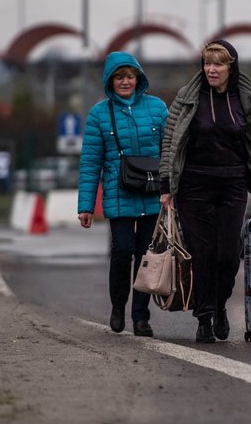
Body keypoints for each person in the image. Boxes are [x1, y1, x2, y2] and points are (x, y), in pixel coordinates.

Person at [159, 40, 251, 343]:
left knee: (227, 254)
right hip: (193, 185)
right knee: (203, 253)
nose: (211, 69)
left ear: (230, 67)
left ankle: (220, 304)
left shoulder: (246, 101)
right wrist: (167, 186)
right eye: (207, 63)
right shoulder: (187, 99)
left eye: (218, 64)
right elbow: (171, 141)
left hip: (232, 184)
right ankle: (204, 316)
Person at [78, 51, 167, 337]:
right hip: (119, 195)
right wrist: (86, 205)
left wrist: (172, 191)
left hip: (154, 194)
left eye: (130, 76)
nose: (125, 81)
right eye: (119, 77)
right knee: (123, 250)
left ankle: (141, 316)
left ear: (138, 78)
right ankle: (118, 305)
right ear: (110, 80)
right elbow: (90, 163)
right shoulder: (99, 114)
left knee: (146, 257)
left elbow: (171, 153)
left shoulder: (157, 108)